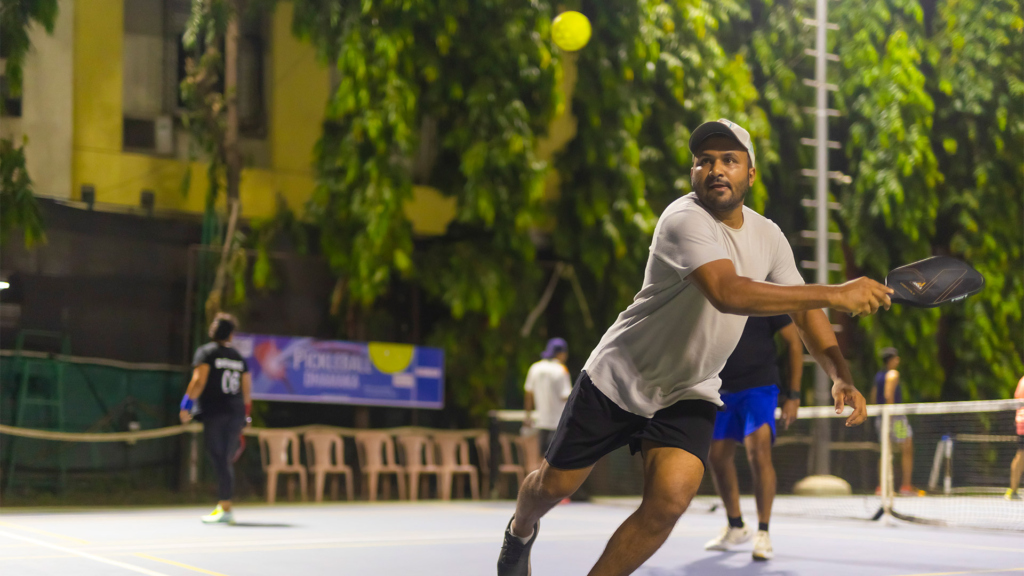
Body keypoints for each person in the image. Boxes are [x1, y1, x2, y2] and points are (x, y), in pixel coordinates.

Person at [496, 118, 890, 576]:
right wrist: (836, 292)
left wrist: (840, 372)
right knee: (552, 485)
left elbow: (804, 316)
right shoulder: (683, 219)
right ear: (693, 173)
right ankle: (519, 530)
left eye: (729, 160)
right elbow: (728, 292)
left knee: (669, 501)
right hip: (622, 376)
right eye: (704, 161)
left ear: (750, 174)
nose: (716, 169)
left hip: (689, 389)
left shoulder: (770, 236)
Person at [704, 315, 804, 560]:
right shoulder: (713, 291)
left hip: (759, 387)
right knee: (716, 458)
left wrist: (794, 394)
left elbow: (794, 342)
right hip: (721, 388)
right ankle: (736, 525)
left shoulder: (764, 291)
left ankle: (763, 531)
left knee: (758, 453)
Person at [180, 312, 252, 524]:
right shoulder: (239, 358)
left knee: (219, 457)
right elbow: (246, 390)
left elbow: (198, 381)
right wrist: (246, 416)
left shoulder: (206, 353)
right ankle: (224, 505)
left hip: (216, 412)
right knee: (224, 459)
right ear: (231, 334)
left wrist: (186, 405)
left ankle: (226, 507)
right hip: (235, 412)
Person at [871, 347, 915, 495]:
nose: (898, 360)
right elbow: (888, 394)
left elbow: (873, 396)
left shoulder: (878, 376)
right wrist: (890, 416)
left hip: (880, 416)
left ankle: (881, 487)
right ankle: (906, 486)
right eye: (896, 358)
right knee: (907, 447)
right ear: (891, 360)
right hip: (895, 418)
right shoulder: (893, 374)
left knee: (885, 452)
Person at [523, 338, 573, 455]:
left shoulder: (535, 368)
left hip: (540, 422)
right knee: (556, 459)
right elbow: (566, 397)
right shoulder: (561, 370)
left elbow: (528, 394)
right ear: (561, 353)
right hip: (558, 424)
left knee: (541, 460)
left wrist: (527, 416)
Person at [1007, 375, 1024, 500]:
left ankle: (1012, 489)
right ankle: (1012, 490)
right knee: (1021, 455)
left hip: (1020, 422)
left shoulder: (1022, 380)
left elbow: (1016, 398)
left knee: (1021, 454)